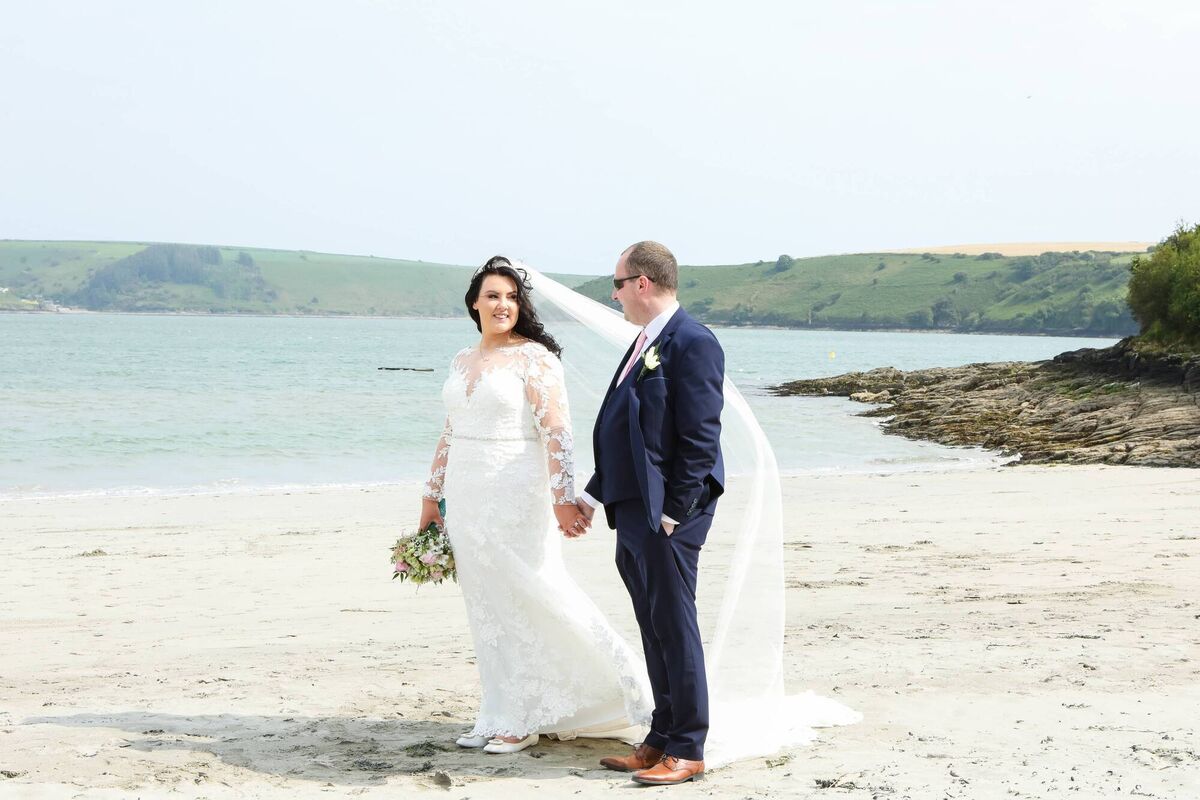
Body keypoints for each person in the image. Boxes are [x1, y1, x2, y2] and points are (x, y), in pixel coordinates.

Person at [419, 256, 652, 754]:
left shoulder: (536, 359)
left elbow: (558, 432)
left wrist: (564, 498)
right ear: (474, 304)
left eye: (510, 297)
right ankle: (499, 710)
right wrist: (430, 496)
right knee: (486, 605)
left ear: (520, 305)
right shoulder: (463, 360)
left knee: (534, 592)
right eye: (492, 296)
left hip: (516, 493)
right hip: (466, 493)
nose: (502, 305)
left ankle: (565, 707)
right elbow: (449, 431)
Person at [576, 241, 724, 786]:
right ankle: (661, 736)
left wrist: (673, 513)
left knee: (675, 626)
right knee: (652, 624)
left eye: (616, 283)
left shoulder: (692, 342)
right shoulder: (644, 341)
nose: (612, 294)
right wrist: (594, 495)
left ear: (642, 283)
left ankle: (688, 746)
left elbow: (700, 437)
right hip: (633, 507)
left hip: (667, 513)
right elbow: (628, 432)